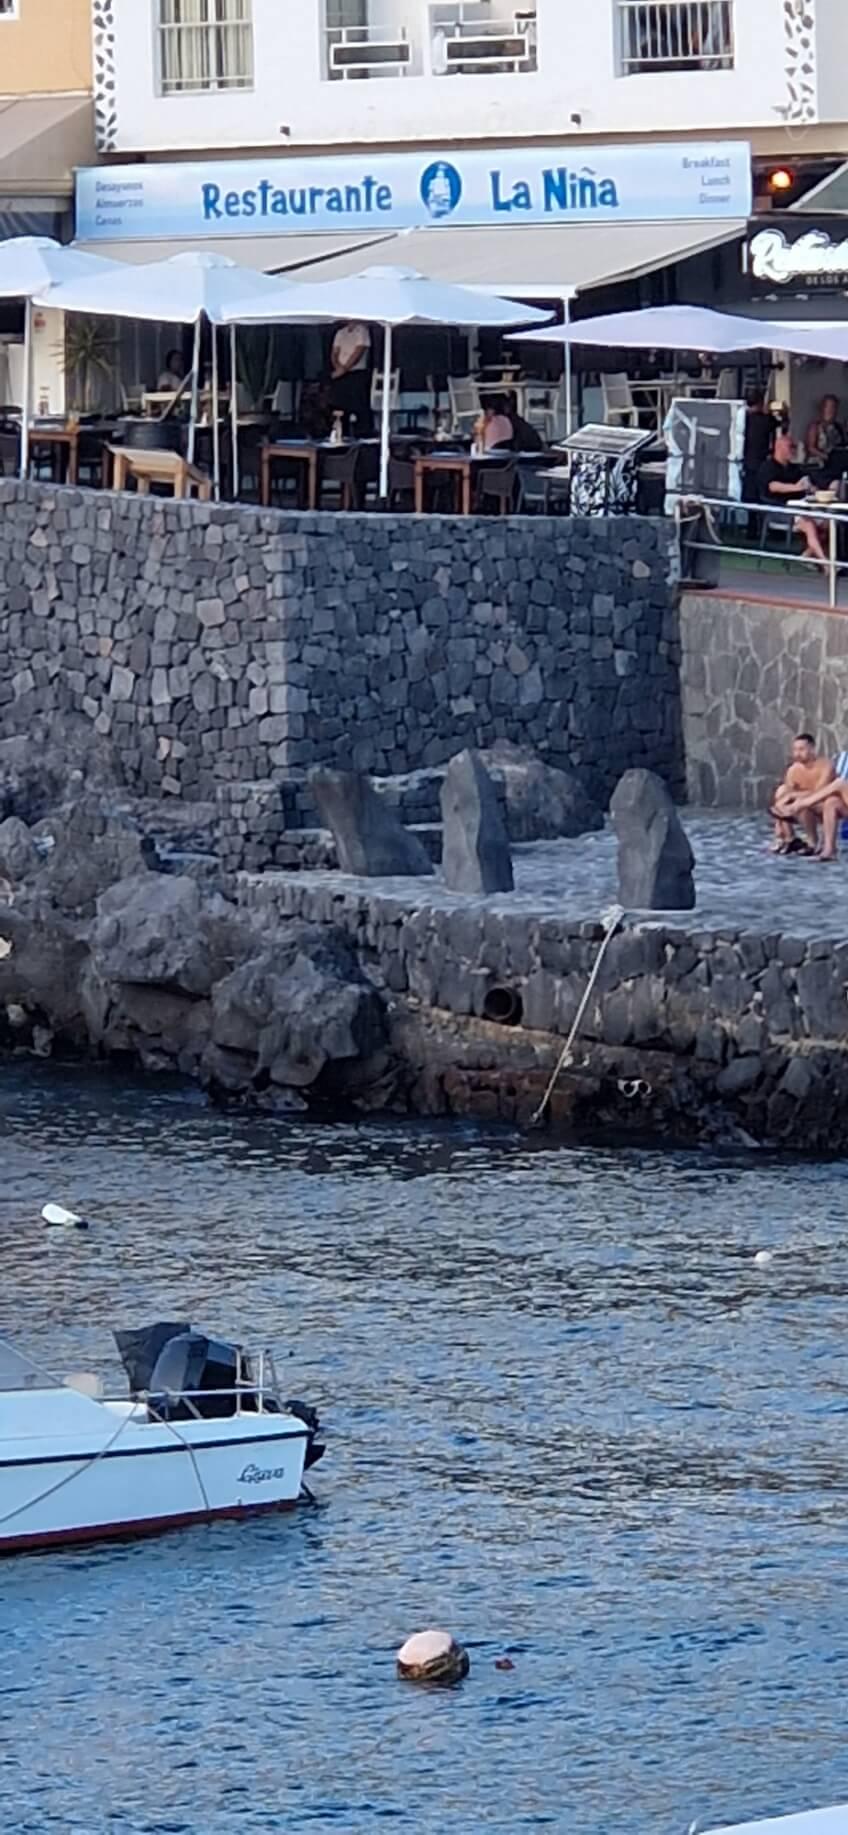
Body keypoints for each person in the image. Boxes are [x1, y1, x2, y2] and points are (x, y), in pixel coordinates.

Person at [758, 431, 827, 563]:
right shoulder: (767, 467)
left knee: (828, 524)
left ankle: (806, 556)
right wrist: (797, 487)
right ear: (779, 448)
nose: (793, 450)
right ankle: (827, 564)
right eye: (790, 447)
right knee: (810, 525)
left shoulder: (793, 468)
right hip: (779, 510)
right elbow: (773, 486)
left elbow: (805, 481)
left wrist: (813, 489)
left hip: (801, 509)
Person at [769, 733, 836, 856]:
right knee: (781, 791)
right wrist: (778, 821)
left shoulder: (826, 766)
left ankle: (813, 842)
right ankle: (789, 838)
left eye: (801, 749)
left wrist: (795, 796)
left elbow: (821, 792)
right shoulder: (793, 770)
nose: (797, 753)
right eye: (795, 750)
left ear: (812, 748)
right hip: (801, 806)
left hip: (825, 804)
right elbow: (786, 796)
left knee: (800, 803)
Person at [329, 320, 373, 435]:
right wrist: (338, 367)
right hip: (341, 373)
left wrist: (345, 369)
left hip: (357, 372)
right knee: (341, 405)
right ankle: (342, 433)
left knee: (359, 405)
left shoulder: (362, 330)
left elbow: (359, 351)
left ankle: (363, 433)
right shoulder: (340, 332)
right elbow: (334, 353)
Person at [742, 388, 772, 502]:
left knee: (748, 493)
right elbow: (781, 423)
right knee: (759, 494)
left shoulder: (742, 418)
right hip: (760, 461)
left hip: (744, 460)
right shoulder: (765, 420)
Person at [806, 393, 845, 467]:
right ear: (823, 408)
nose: (831, 410)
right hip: (820, 463)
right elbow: (811, 448)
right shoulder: (815, 426)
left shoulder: (839, 427)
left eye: (834, 407)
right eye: (828, 407)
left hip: (838, 463)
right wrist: (826, 457)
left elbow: (843, 445)